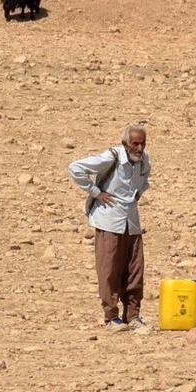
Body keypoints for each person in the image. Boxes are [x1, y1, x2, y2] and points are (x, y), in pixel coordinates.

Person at [68, 125, 151, 332]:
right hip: (109, 221)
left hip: (131, 222)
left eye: (142, 143)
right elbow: (75, 168)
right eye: (135, 144)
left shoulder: (143, 161)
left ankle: (133, 315)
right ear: (125, 144)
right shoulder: (111, 157)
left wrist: (137, 194)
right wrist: (97, 192)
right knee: (109, 270)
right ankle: (111, 317)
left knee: (135, 269)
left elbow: (144, 180)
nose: (139, 148)